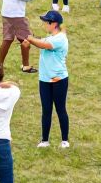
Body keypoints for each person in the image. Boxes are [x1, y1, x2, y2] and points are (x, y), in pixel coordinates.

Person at [24, 10, 69, 149]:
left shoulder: (60, 39)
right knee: (46, 110)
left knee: (60, 109)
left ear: (54, 24)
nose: (44, 24)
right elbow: (41, 42)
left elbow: (43, 45)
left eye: (46, 22)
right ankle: (45, 140)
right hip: (44, 79)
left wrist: (30, 39)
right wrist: (28, 43)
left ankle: (65, 140)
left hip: (58, 80)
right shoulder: (50, 37)